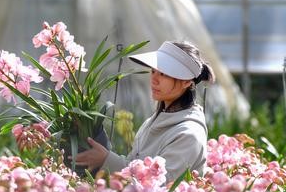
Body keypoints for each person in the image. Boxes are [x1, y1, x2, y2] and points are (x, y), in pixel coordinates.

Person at [75, 40, 212, 183]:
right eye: (153, 71)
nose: (154, 79)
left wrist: (106, 159)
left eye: (164, 74)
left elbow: (160, 188)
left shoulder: (188, 135)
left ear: (186, 82)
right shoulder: (152, 122)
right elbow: (132, 165)